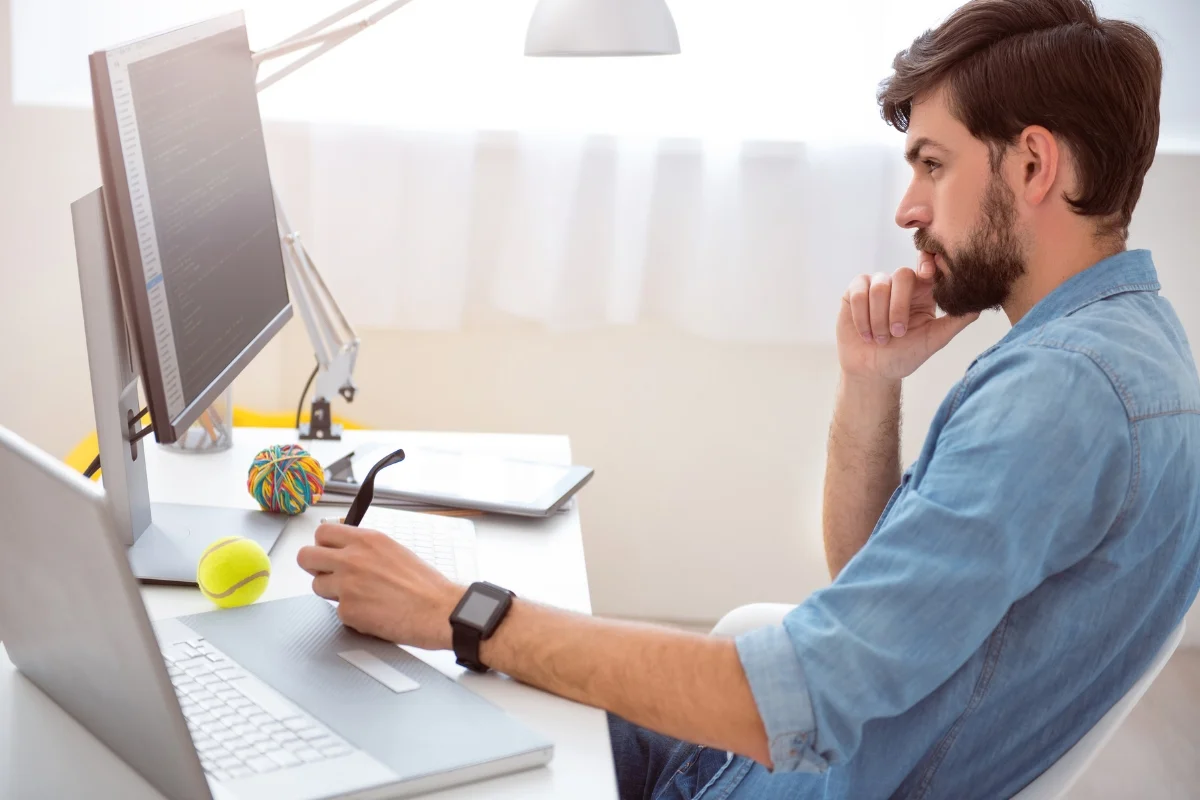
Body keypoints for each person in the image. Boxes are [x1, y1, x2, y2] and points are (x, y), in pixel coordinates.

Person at [296, 0, 1200, 796]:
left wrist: (463, 611)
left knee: (376, 728)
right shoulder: (1117, 347)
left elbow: (800, 698)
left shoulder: (1060, 399)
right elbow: (873, 592)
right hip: (748, 761)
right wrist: (869, 383)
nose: (907, 208)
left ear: (1033, 165)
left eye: (932, 163)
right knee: (392, 708)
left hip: (757, 774)